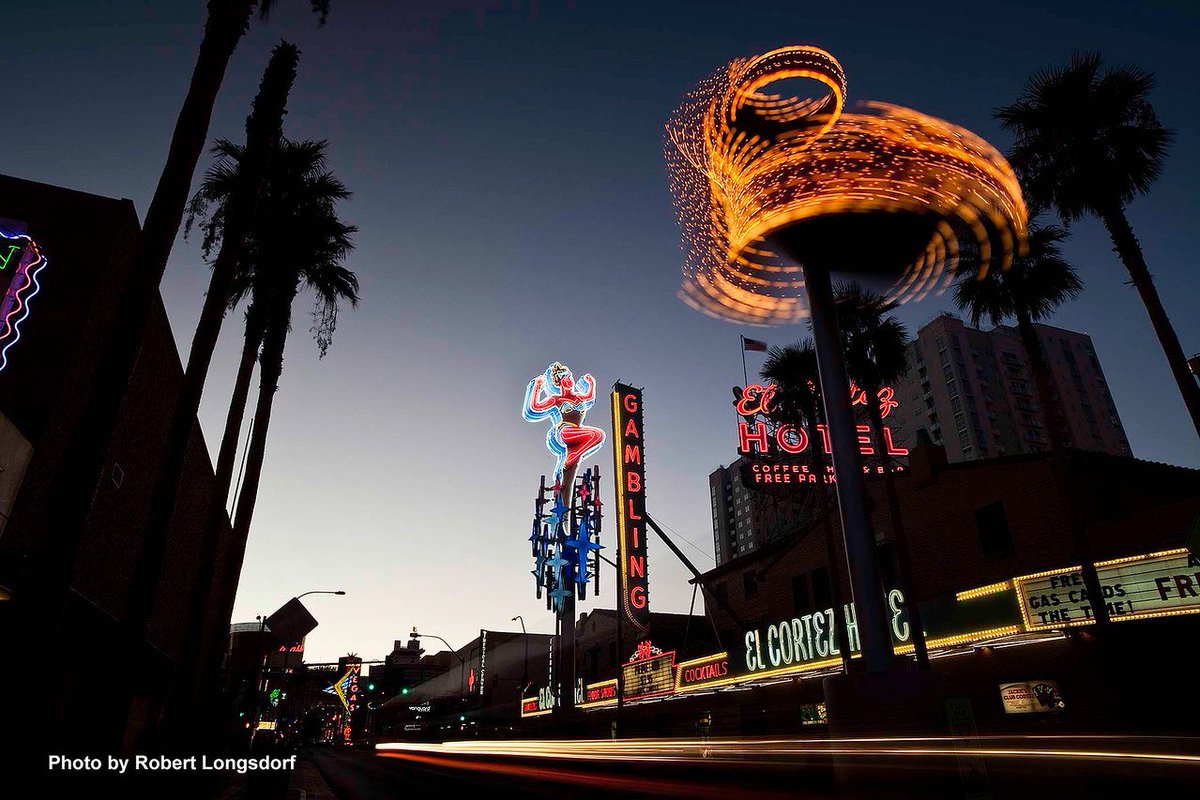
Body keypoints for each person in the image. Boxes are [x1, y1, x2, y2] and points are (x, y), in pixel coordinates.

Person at [524, 362, 605, 495]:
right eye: (566, 378)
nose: (570, 380)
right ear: (560, 382)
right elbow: (534, 408)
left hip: (579, 437)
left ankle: (564, 513)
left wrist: (591, 383)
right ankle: (574, 454)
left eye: (570, 377)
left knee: (569, 477)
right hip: (565, 432)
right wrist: (536, 386)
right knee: (596, 434)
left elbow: (590, 396)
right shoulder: (557, 399)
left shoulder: (579, 397)